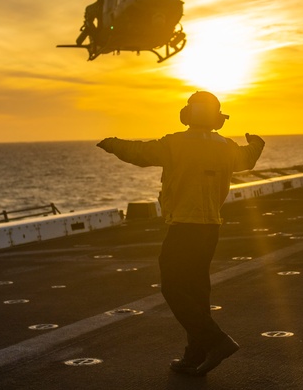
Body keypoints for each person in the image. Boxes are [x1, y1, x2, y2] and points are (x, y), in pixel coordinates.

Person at [97, 91, 265, 376]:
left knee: (173, 288)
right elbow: (249, 158)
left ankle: (216, 341)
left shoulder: (174, 143)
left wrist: (112, 144)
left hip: (183, 228)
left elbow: (138, 152)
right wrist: (257, 143)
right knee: (197, 294)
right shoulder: (228, 147)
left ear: (186, 116)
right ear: (217, 119)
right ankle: (194, 355)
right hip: (211, 228)